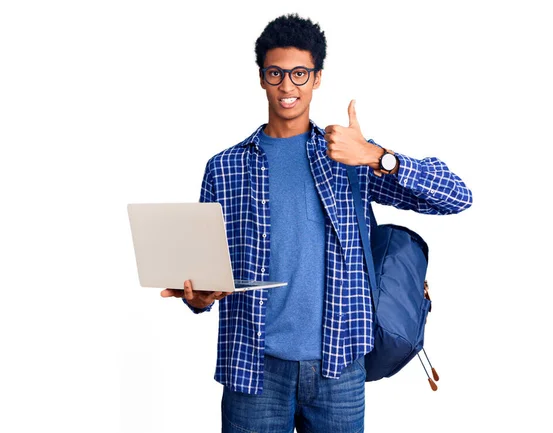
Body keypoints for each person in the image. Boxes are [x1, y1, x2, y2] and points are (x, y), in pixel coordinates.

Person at [160, 13, 472, 433]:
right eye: (276, 73)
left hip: (339, 368)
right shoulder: (225, 168)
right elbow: (204, 274)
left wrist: (377, 156)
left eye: (299, 73)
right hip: (253, 369)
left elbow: (456, 197)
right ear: (261, 78)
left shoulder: (347, 157)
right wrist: (197, 299)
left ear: (318, 77)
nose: (288, 86)